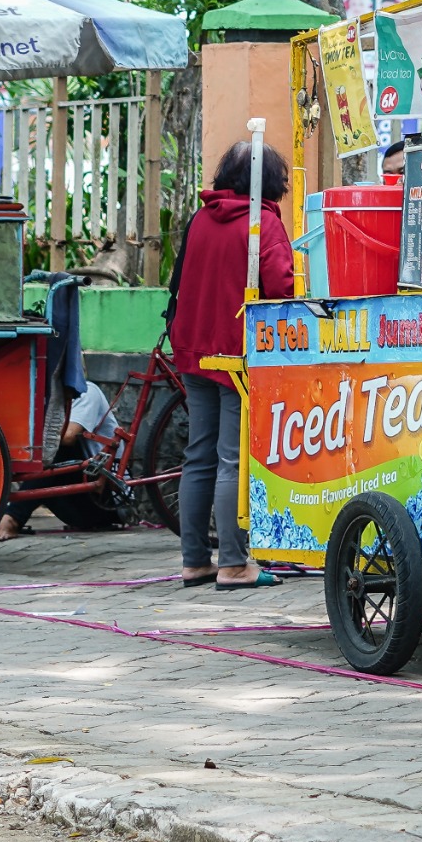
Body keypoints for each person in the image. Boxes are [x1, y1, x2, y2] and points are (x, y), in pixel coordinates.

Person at [165, 141, 294, 590]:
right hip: (237, 353)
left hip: (193, 348)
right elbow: (282, 289)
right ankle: (235, 563)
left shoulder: (201, 217)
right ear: (270, 181)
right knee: (231, 460)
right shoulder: (262, 225)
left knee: (199, 455)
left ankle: (194, 560)